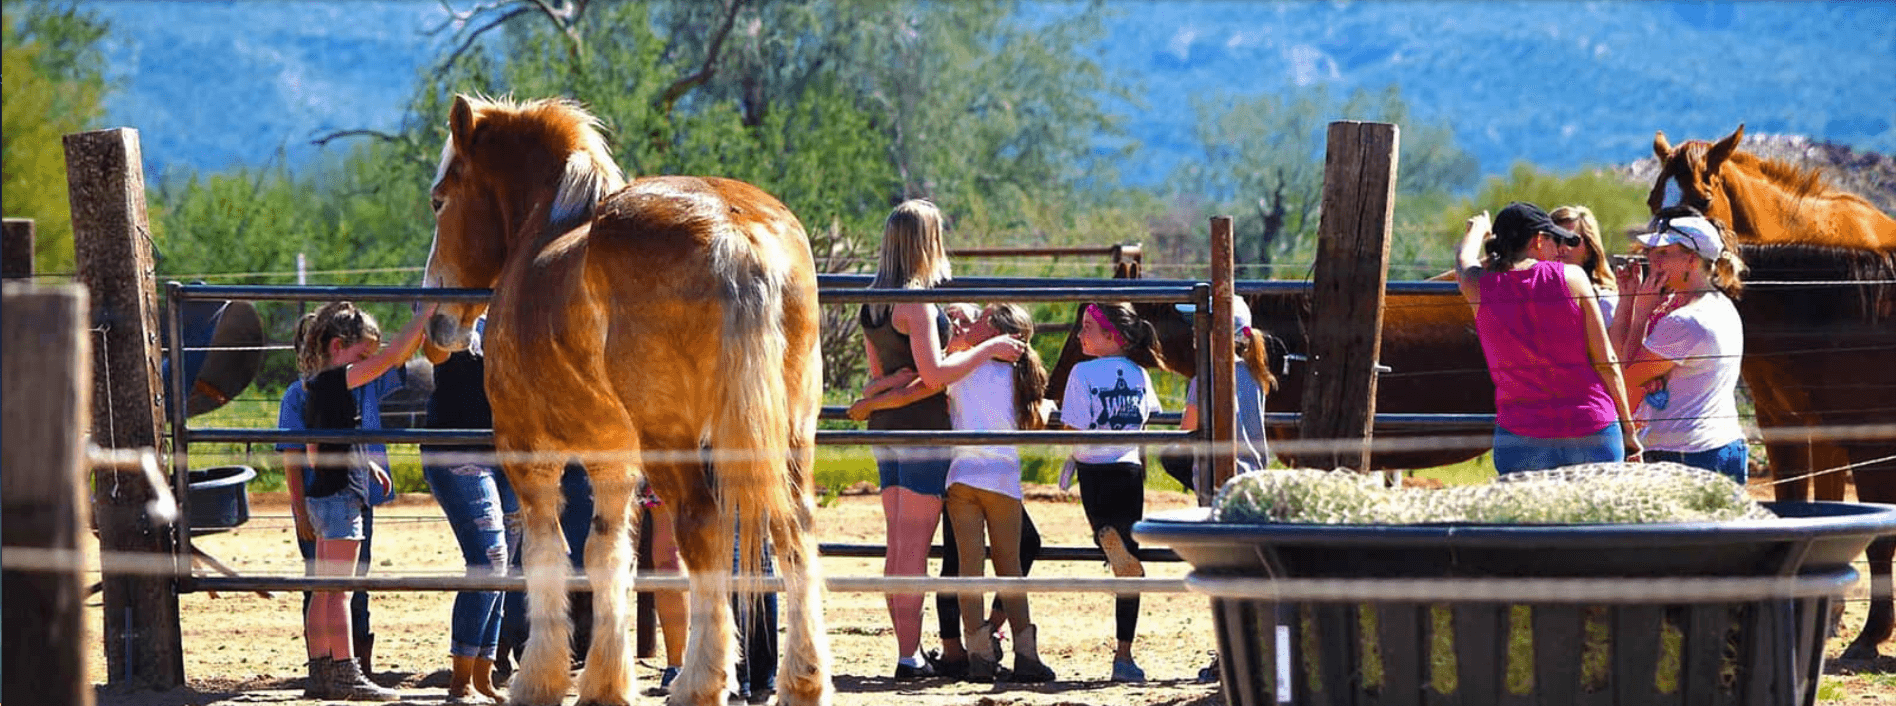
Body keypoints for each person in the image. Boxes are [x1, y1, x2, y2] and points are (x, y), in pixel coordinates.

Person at [847, 199, 1027, 680]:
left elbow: (879, 378)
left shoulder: (872, 301)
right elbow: (934, 375)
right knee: (914, 549)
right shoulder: (917, 301)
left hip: (886, 433)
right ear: (928, 241)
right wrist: (988, 347)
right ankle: (908, 657)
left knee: (897, 545)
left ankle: (909, 651)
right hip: (924, 431)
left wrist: (873, 401)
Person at [285, 300, 434, 701]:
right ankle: (347, 672)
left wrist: (363, 464)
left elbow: (317, 447)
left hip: (322, 496)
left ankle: (321, 671)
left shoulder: (314, 386)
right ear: (338, 347)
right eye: (361, 355)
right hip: (340, 500)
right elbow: (393, 356)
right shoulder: (341, 380)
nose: (368, 363)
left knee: (322, 589)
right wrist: (427, 309)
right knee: (342, 591)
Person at [1454, 202, 1640, 473]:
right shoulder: (1572, 278)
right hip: (1591, 425)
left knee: (1530, 515)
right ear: (1538, 240)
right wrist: (1629, 430)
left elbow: (1463, 262)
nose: (1560, 250)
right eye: (1555, 241)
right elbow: (1606, 362)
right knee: (1598, 515)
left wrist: (1477, 229)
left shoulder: (1479, 287)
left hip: (1521, 435)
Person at [933, 303, 1058, 683]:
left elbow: (937, 379)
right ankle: (1026, 654)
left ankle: (979, 656)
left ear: (995, 331)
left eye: (982, 317)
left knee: (969, 570)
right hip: (1003, 480)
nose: (973, 322)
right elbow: (1035, 417)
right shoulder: (1020, 377)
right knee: (1010, 569)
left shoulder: (961, 368)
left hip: (962, 478)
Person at [1060, 301, 1166, 683]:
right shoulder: (1138, 373)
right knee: (1130, 566)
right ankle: (1124, 656)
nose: (1080, 334)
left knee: (1106, 536)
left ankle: (1103, 534)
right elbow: (1148, 415)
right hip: (1129, 467)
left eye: (1088, 327)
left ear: (1111, 337)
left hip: (1093, 468)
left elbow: (1072, 427)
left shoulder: (1082, 372)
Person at [1613, 212, 1749, 483]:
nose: (1652, 259)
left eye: (1664, 253)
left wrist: (1638, 312)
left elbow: (1626, 378)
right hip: (1720, 445)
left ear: (1691, 259)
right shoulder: (1721, 305)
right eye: (1652, 251)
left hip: (1685, 456)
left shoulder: (1684, 321)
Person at [419, 316, 509, 704]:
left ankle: (483, 676)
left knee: (506, 567)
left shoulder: (515, 303)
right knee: (491, 559)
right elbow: (434, 352)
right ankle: (460, 681)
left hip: (509, 449)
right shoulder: (451, 310)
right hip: (457, 447)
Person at [1170, 295, 1276, 489]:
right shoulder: (1255, 374)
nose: (1194, 330)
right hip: (1254, 475)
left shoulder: (1204, 378)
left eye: (1200, 325)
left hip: (1217, 478)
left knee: (1170, 457)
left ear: (1217, 333)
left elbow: (1187, 431)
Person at [1549, 204, 1621, 322]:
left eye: (1571, 240)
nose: (1562, 247)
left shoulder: (1604, 302)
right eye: (1555, 239)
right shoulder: (1530, 294)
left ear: (1589, 247)